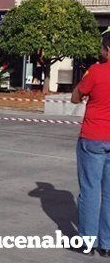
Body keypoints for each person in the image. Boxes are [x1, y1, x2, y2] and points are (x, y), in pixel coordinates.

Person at [71, 31, 110, 255]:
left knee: (90, 190)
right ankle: (106, 243)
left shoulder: (96, 71)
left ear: (107, 50)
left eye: (102, 47)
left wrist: (83, 79)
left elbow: (76, 97)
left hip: (94, 137)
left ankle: (87, 241)